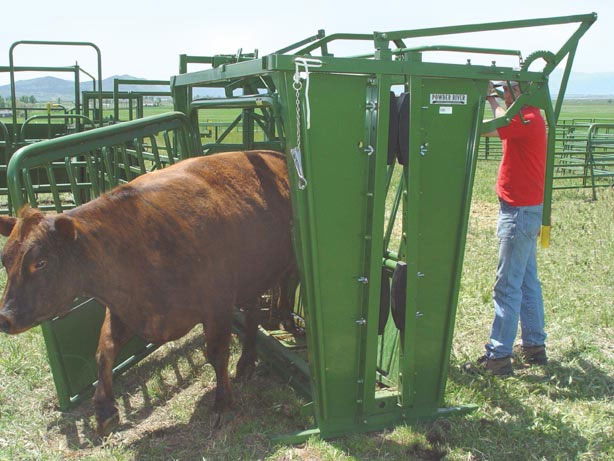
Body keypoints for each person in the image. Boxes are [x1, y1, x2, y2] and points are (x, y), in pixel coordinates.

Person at [465, 80, 548, 376]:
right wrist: (492, 98)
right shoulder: (528, 116)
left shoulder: (525, 117)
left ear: (522, 92)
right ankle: (535, 346)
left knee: (507, 285)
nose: (506, 95)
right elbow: (501, 116)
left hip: (519, 212)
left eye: (509, 90)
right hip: (524, 210)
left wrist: (487, 96)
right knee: (526, 280)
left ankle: (498, 356)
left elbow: (488, 127)